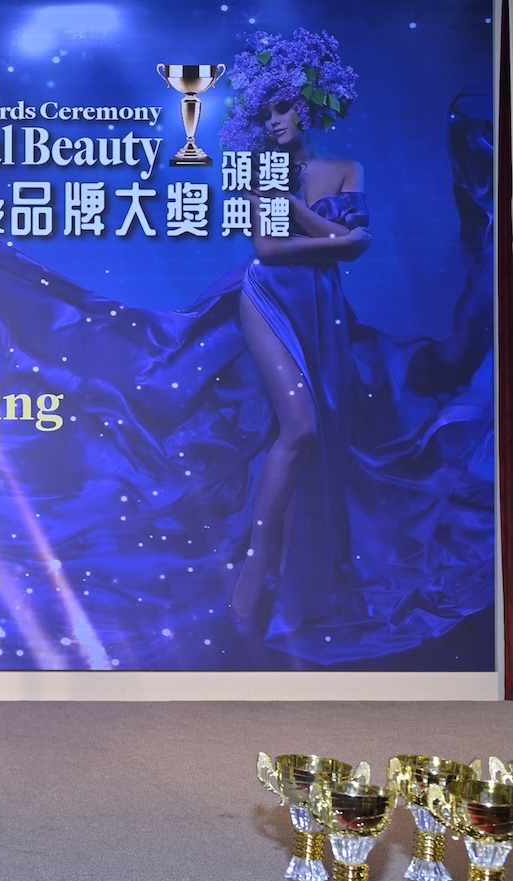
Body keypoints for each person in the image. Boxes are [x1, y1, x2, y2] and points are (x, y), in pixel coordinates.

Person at [216, 29, 369, 636]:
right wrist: (336, 237)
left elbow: (355, 247)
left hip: (323, 304)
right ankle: (256, 566)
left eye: (283, 107)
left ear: (309, 104)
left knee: (325, 434)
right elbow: (272, 250)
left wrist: (305, 214)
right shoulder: (261, 170)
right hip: (269, 296)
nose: (274, 121)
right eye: (265, 113)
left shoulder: (347, 168)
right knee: (300, 428)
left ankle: (310, 579)